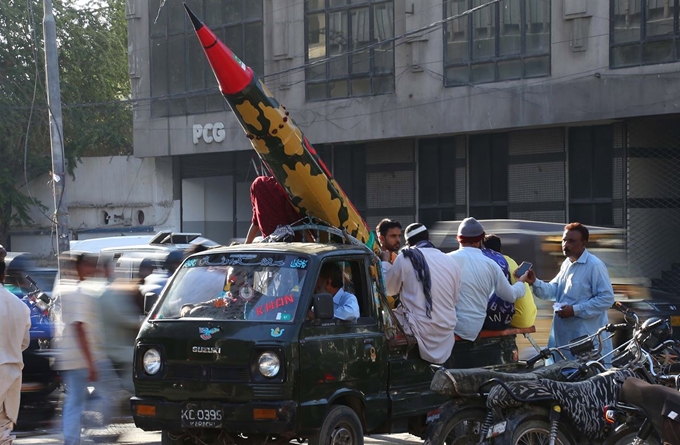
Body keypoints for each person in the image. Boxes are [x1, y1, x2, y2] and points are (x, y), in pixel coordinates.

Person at [524, 222, 615, 360]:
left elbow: (607, 298)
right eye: (564, 240)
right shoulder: (567, 264)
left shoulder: (594, 265)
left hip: (586, 343)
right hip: (565, 341)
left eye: (571, 241)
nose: (565, 245)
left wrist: (575, 310)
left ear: (583, 243)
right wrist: (535, 282)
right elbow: (553, 291)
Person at [55, 254, 119, 445]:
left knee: (76, 400)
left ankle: (78, 436)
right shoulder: (78, 294)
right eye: (89, 265)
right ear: (80, 268)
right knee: (105, 394)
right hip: (82, 358)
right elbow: (79, 328)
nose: (93, 269)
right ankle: (82, 436)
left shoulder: (73, 291)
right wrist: (91, 362)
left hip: (77, 357)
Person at [382, 223, 461, 364]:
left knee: (382, 318)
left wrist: (385, 263)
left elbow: (389, 289)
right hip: (446, 329)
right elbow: (455, 299)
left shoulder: (406, 257)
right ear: (428, 238)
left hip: (420, 328)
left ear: (409, 243)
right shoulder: (450, 261)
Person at [447, 218, 528, 341]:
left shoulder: (446, 260)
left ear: (458, 238)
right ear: (480, 241)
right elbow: (510, 296)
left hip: (449, 327)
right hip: (475, 328)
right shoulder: (491, 264)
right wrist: (520, 282)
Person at [0, 261, 31, 445]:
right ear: (3, 276)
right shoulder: (20, 306)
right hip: (11, 376)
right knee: (3, 433)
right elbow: (24, 343)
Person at [483, 235, 537, 329]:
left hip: (516, 318)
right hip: (531, 316)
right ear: (500, 249)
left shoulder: (492, 263)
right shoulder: (509, 260)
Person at [245, 176, 301, 243]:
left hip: (271, 243)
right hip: (289, 240)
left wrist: (246, 244)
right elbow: (294, 218)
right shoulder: (280, 187)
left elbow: (255, 222)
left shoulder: (258, 185)